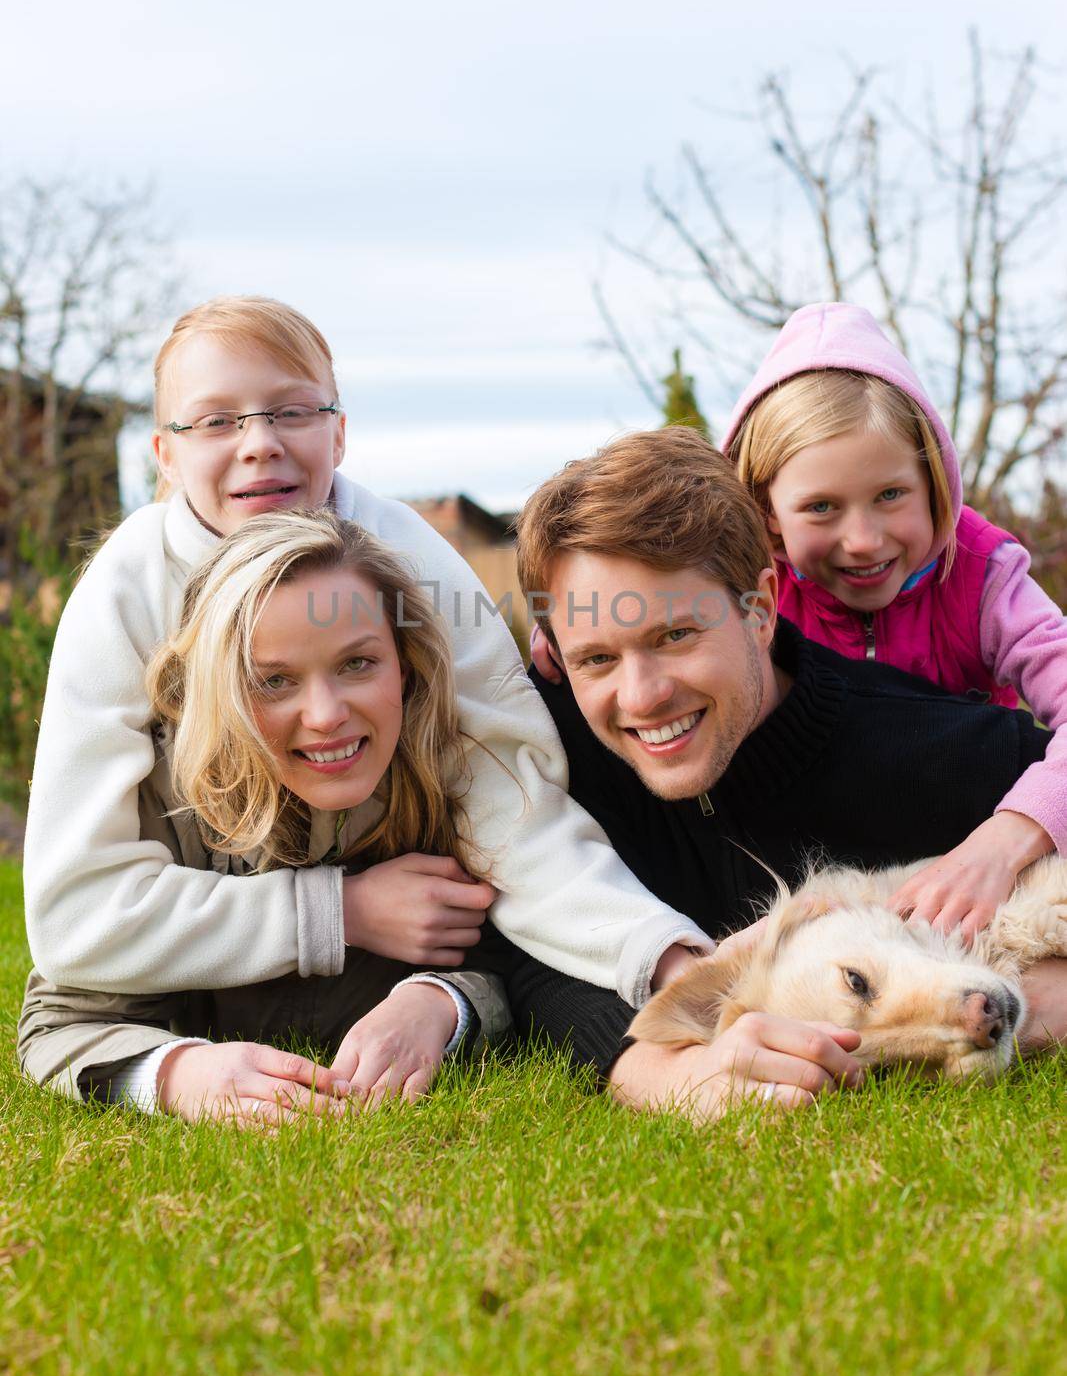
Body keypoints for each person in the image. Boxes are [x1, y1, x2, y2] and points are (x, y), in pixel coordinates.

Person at [22, 297, 708, 1017]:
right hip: (214, 922)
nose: (259, 442)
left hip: (395, 943)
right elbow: (75, 912)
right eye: (217, 420)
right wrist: (333, 912)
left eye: (291, 412)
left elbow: (512, 807)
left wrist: (658, 954)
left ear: (339, 433)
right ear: (165, 452)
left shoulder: (411, 563)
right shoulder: (125, 592)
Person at [508, 427, 1067, 1122]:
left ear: (761, 608)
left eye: (675, 635)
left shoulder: (944, 752)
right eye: (596, 658)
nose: (641, 695)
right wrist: (652, 1068)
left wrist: (1039, 993)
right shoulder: (563, 763)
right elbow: (516, 948)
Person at [19, 511, 511, 1122]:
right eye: (273, 681)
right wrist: (178, 1074)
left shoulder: (453, 774)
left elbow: (521, 951)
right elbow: (62, 1018)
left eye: (358, 663)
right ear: (218, 690)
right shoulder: (168, 799)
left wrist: (438, 1003)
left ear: (404, 664)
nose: (327, 713)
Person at [720, 301, 1067, 944]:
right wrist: (569, 633)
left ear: (932, 481)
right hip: (802, 857)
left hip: (959, 846)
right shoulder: (745, 591)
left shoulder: (983, 576)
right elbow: (643, 607)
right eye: (820, 507)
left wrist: (1004, 840)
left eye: (890, 495)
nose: (863, 539)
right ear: (768, 513)